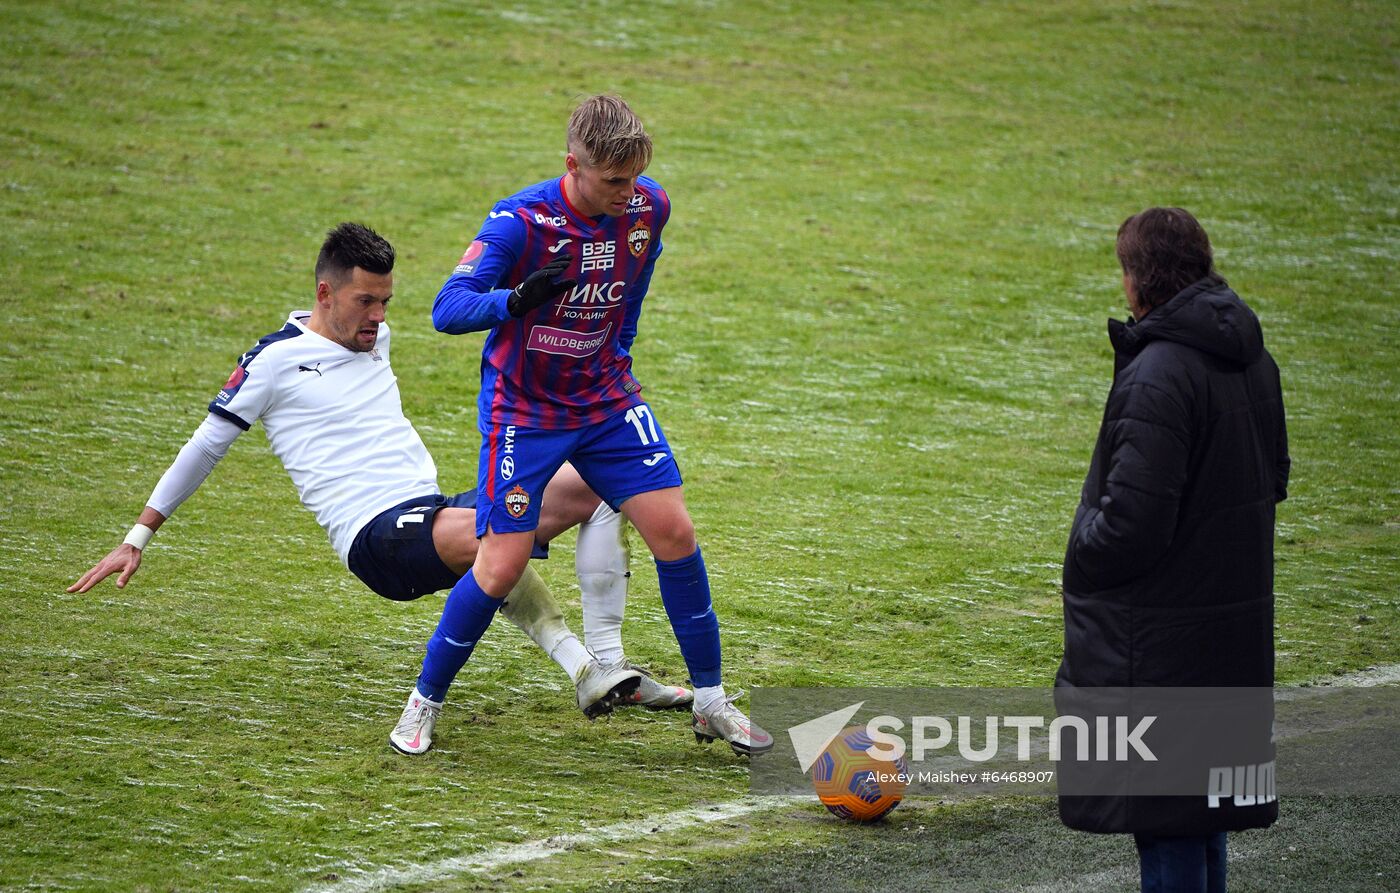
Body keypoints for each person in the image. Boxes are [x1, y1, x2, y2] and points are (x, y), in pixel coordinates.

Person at [69, 223, 693, 750]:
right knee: (494, 534)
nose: (379, 317)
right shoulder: (274, 360)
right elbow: (206, 445)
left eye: (386, 301)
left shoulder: (376, 337)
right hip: (375, 538)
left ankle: (594, 667)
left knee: (602, 483)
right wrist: (138, 537)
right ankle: (438, 706)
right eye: (366, 301)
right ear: (324, 292)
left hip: (431, 509)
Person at [406, 94, 772, 758]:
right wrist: (514, 301)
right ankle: (422, 703)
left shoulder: (647, 207)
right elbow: (446, 308)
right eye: (613, 181)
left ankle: (712, 702)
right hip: (525, 410)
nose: (627, 193)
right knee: (501, 563)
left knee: (675, 529)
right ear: (572, 163)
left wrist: (619, 348)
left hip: (605, 401)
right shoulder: (520, 222)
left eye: (634, 179)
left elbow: (634, 283)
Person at [1058, 208, 1290, 892]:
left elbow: (1132, 521)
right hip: (1228, 626)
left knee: (1166, 820)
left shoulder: (1160, 370)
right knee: (1199, 813)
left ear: (1141, 278)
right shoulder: (1252, 357)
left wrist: (1082, 553)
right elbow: (1272, 477)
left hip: (1161, 639)